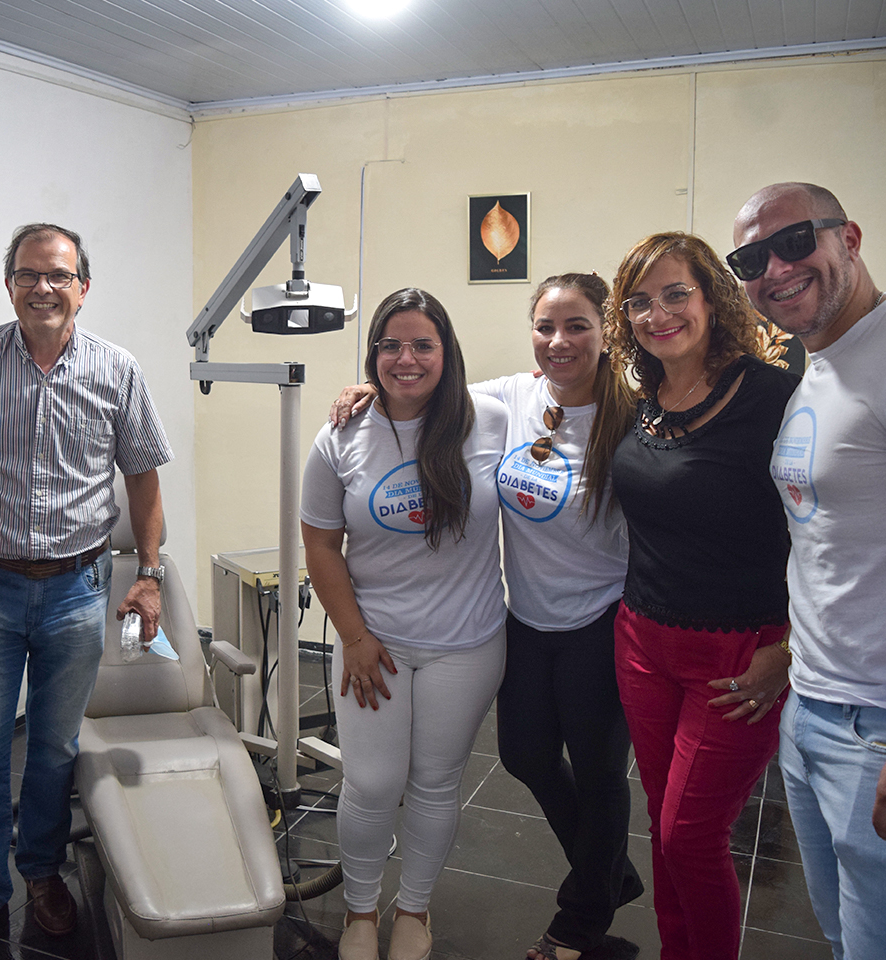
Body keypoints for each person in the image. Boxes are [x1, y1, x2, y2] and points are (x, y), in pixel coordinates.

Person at [330, 275, 643, 960]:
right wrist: (370, 390)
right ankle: (608, 870)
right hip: (524, 618)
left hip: (600, 621)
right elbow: (423, 390)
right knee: (524, 755)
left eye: (578, 326)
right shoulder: (512, 399)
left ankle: (582, 917)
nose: (559, 342)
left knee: (598, 771)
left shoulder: (631, 418)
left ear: (607, 332)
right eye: (545, 327)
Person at [731, 182, 886, 960]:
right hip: (815, 713)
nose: (775, 269)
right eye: (751, 260)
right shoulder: (824, 365)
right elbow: (838, 544)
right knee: (847, 940)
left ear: (850, 238)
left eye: (794, 242)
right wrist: (795, 657)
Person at [0, 223, 171, 960]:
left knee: (55, 749)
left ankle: (41, 872)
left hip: (76, 591)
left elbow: (144, 478)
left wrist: (149, 573)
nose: (43, 288)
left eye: (59, 275)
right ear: (9, 286)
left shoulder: (118, 370)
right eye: (29, 274)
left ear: (82, 288)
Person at [605, 232, 799, 960]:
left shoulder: (773, 396)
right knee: (664, 823)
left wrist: (790, 648)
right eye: (640, 303)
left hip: (739, 658)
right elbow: (538, 390)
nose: (658, 315)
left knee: (690, 833)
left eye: (675, 294)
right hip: (642, 641)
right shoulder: (641, 398)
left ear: (713, 298)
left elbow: (831, 533)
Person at [303, 288, 508, 960]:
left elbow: (567, 390)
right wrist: (355, 638)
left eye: (423, 344)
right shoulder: (341, 435)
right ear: (373, 355)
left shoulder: (493, 418)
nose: (406, 358)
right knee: (372, 783)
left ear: (447, 352)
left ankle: (414, 909)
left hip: (467, 645)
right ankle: (360, 912)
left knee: (435, 782)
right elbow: (320, 544)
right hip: (375, 644)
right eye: (390, 345)